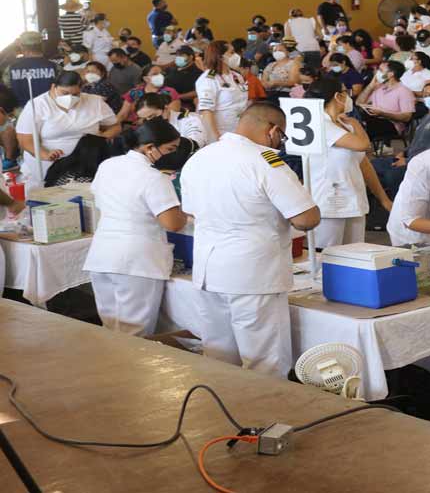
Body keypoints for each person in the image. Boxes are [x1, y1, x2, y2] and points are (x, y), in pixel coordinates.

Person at [181, 103, 320, 377]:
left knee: (219, 358)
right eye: (282, 137)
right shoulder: (265, 161)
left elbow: (190, 211)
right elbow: (306, 219)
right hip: (253, 276)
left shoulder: (199, 158)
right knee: (265, 362)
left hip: (209, 272)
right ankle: (266, 420)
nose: (281, 143)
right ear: (273, 131)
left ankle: (223, 416)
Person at [85, 119, 187, 337]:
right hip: (136, 262)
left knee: (111, 330)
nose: (171, 154)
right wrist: (187, 212)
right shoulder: (154, 178)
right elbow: (173, 224)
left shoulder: (108, 165)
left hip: (102, 255)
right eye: (170, 149)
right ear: (150, 147)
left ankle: (110, 371)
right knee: (135, 336)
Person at [298, 78, 391, 249]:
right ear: (338, 96)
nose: (349, 98)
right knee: (326, 258)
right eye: (345, 93)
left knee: (354, 257)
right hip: (328, 203)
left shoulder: (343, 125)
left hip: (353, 200)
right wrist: (356, 123)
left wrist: (383, 199)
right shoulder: (320, 124)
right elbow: (363, 145)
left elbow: (364, 163)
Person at [15, 71, 119, 189]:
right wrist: (45, 154)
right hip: (50, 163)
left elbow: (114, 126)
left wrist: (97, 142)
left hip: (88, 161)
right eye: (64, 93)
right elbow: (25, 140)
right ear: (53, 87)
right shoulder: (37, 105)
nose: (70, 98)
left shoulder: (94, 101)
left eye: (75, 94)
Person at [193, 44, 249, 144]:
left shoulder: (236, 76)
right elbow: (206, 112)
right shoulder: (208, 79)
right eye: (231, 53)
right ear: (220, 56)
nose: (236, 56)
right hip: (222, 133)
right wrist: (216, 139)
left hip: (240, 130)